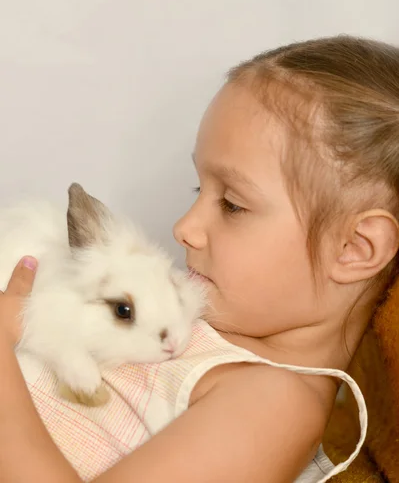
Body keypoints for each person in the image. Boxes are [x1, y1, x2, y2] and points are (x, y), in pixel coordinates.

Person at [0, 35, 398, 483]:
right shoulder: (191, 327)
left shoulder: (276, 404)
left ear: (353, 249)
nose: (184, 227)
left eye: (231, 203)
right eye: (198, 189)